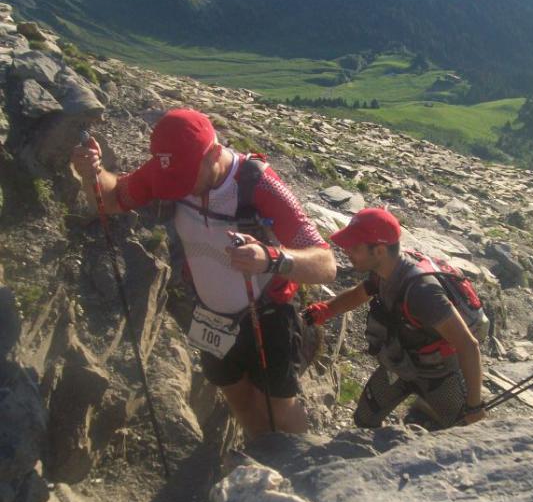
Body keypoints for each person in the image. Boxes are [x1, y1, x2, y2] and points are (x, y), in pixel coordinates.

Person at [71, 108, 336, 437]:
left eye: (186, 179)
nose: (182, 189)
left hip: (267, 315)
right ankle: (260, 459)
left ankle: (301, 470)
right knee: (238, 399)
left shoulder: (260, 185)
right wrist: (93, 173)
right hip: (210, 314)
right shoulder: (169, 169)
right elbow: (112, 198)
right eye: (174, 180)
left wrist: (271, 258)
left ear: (213, 153)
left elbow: (327, 265)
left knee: (280, 407)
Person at [304, 208, 485, 429]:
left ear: (379, 250)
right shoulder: (384, 272)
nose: (347, 251)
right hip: (399, 365)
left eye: (355, 247)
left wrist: (475, 406)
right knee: (364, 420)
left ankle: (427, 413)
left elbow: (468, 345)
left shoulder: (423, 292)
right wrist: (325, 311)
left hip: (438, 375)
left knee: (463, 431)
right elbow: (359, 293)